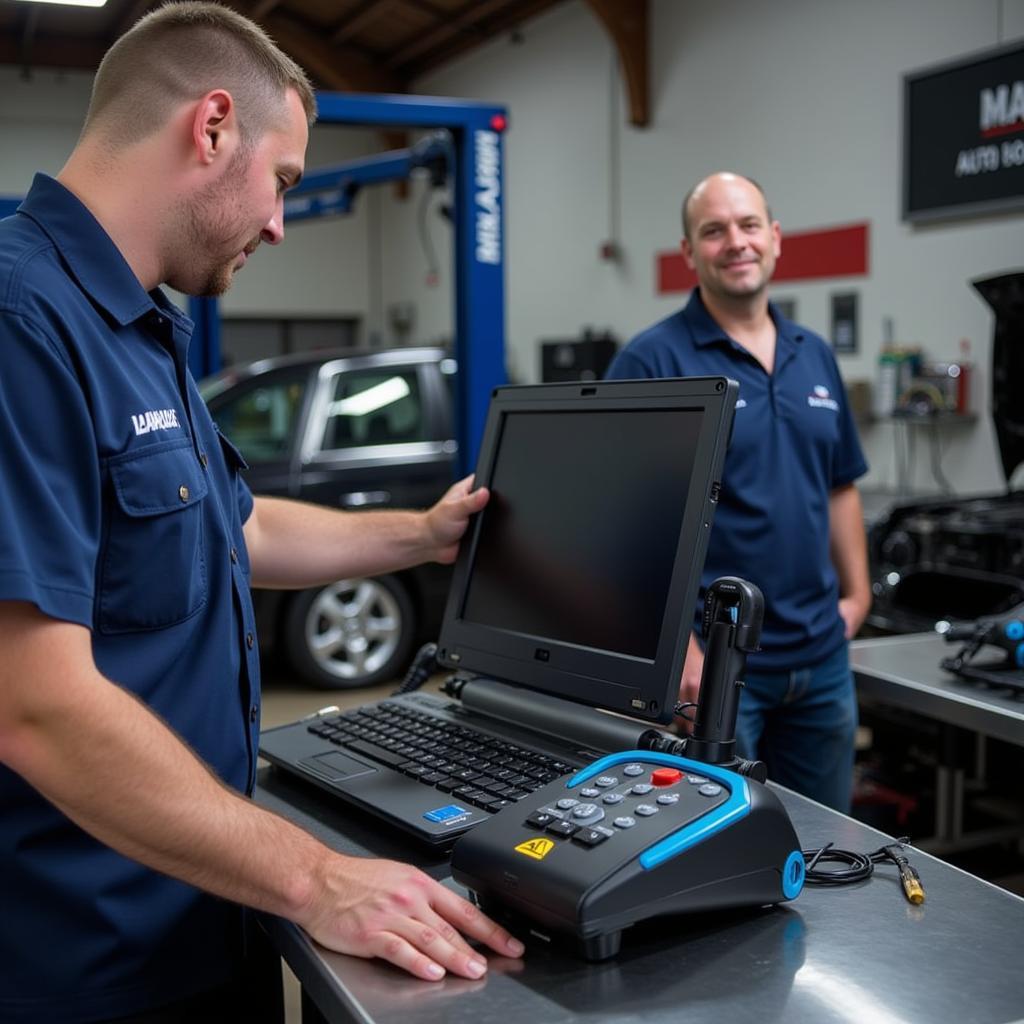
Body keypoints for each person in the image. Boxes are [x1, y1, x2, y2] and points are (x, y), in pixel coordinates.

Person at [0, 5, 523, 1021]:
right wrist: (315, 875)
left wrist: (421, 534)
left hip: (207, 913)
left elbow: (234, 530)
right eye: (282, 179)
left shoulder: (142, 323)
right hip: (90, 966)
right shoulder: (24, 325)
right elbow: (33, 704)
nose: (282, 221)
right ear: (211, 126)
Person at [605, 172, 871, 813]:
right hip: (716, 667)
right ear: (689, 252)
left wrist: (858, 596)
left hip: (821, 657)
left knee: (829, 840)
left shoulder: (815, 355)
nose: (736, 242)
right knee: (716, 847)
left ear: (775, 239)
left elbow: (839, 485)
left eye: (749, 225)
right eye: (714, 230)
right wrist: (683, 653)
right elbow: (621, 525)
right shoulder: (652, 362)